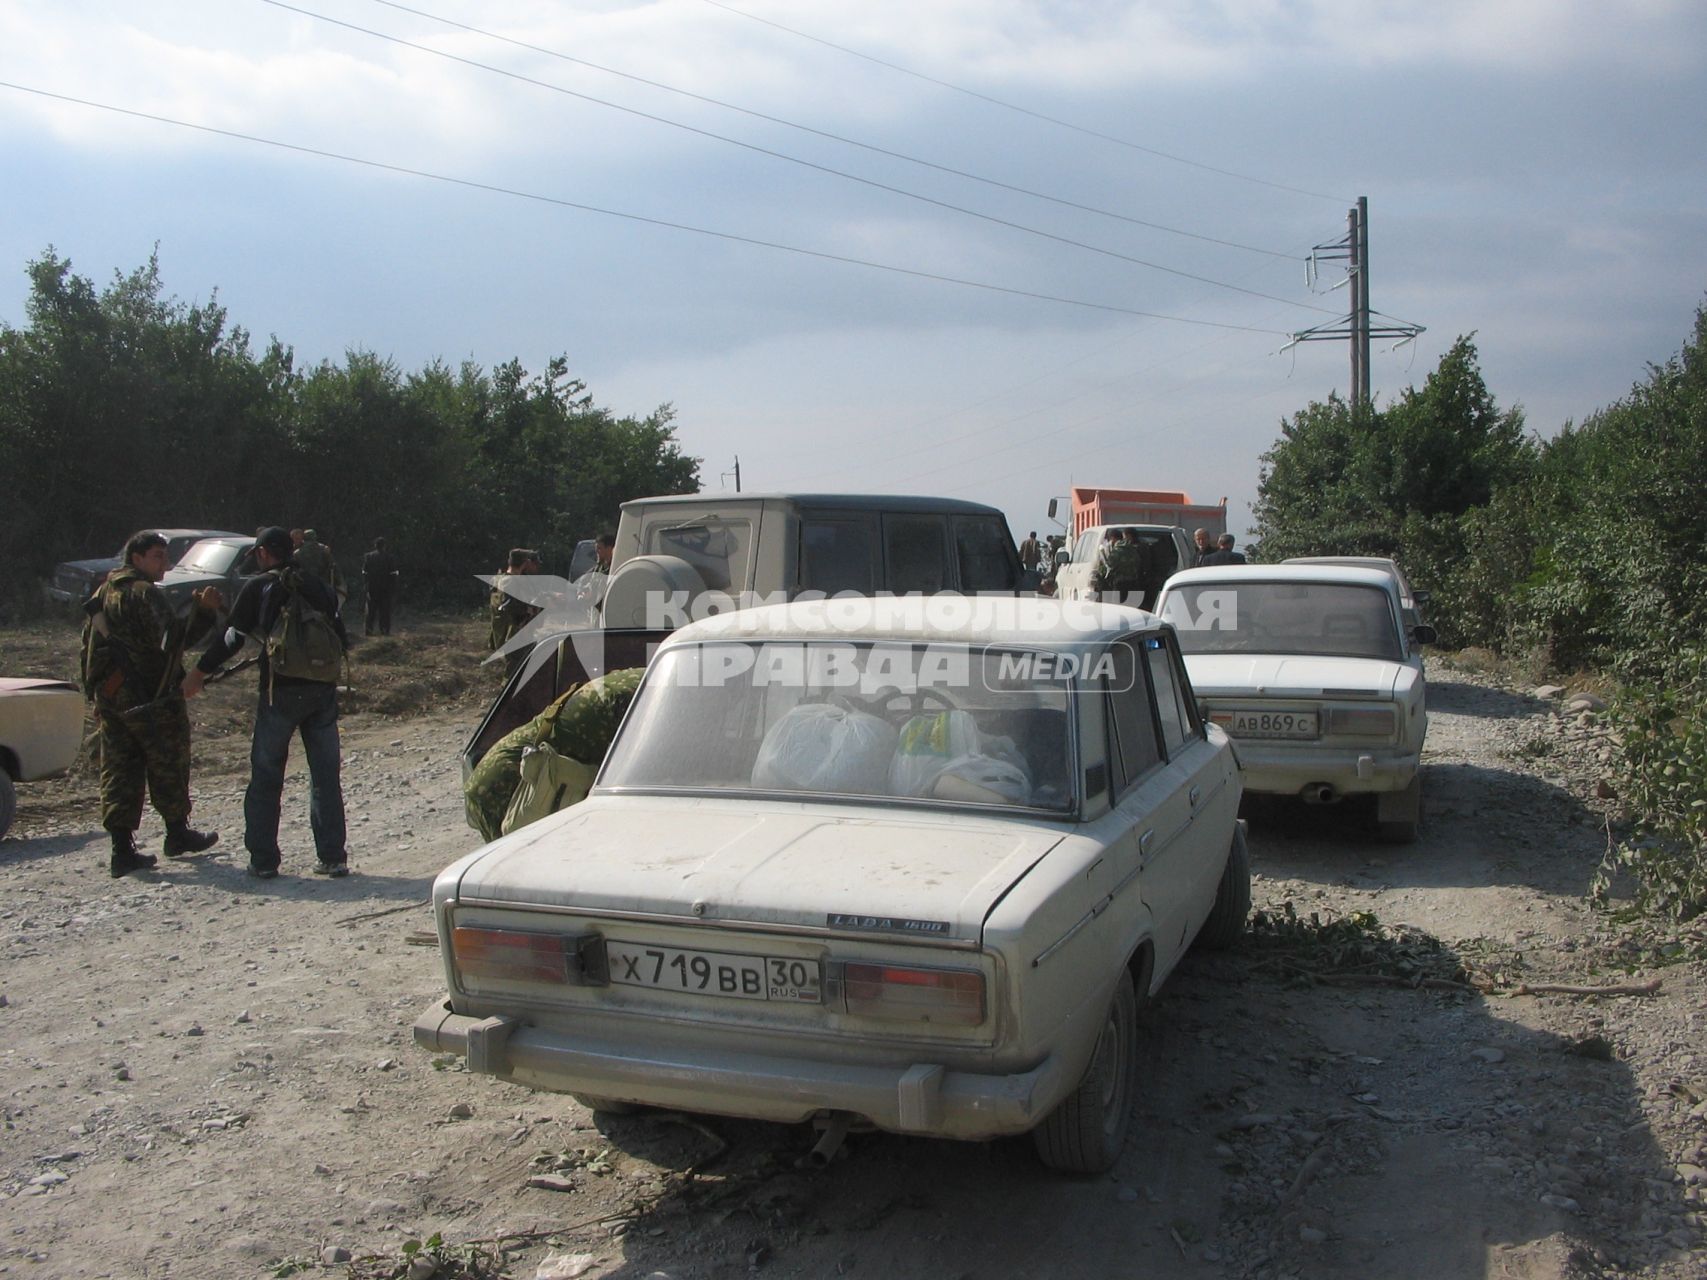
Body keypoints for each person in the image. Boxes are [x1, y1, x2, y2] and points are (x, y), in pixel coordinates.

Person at [183, 526, 351, 879]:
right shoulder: (318, 585)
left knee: (267, 775)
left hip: (280, 692)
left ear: (262, 554)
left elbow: (233, 638)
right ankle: (333, 857)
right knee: (325, 777)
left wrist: (198, 673)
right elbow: (341, 636)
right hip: (322, 689)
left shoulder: (259, 586)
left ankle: (263, 860)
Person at [82, 531, 222, 877]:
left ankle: (122, 849)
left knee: (119, 769)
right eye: (158, 556)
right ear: (138, 558)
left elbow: (88, 647)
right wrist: (203, 613)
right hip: (151, 696)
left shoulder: (105, 591)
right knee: (167, 761)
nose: (165, 564)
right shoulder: (143, 593)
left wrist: (96, 692)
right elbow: (173, 640)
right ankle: (177, 833)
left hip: (114, 696)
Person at [489, 547, 542, 678]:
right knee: (514, 675)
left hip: (504, 633)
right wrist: (532, 609)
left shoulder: (500, 579)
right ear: (524, 563)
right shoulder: (511, 583)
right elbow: (512, 607)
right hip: (514, 636)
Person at [1090, 528, 1146, 606]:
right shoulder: (1132, 549)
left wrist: (1105, 560)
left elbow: (1110, 566)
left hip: (1120, 584)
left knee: (1118, 608)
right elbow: (1139, 564)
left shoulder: (1117, 550)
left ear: (1113, 538)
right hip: (1133, 583)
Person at [294, 528, 347, 606]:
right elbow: (332, 565)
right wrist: (338, 581)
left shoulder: (297, 553)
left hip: (305, 584)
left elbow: (295, 568)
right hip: (323, 583)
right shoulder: (324, 549)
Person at [361, 536, 399, 636]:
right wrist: (393, 588)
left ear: (375, 545)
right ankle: (384, 630)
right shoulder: (390, 557)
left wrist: (366, 585)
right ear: (384, 546)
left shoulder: (368, 556)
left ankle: (368, 630)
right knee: (385, 611)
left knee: (370, 611)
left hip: (372, 588)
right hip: (386, 589)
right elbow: (393, 574)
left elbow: (364, 572)